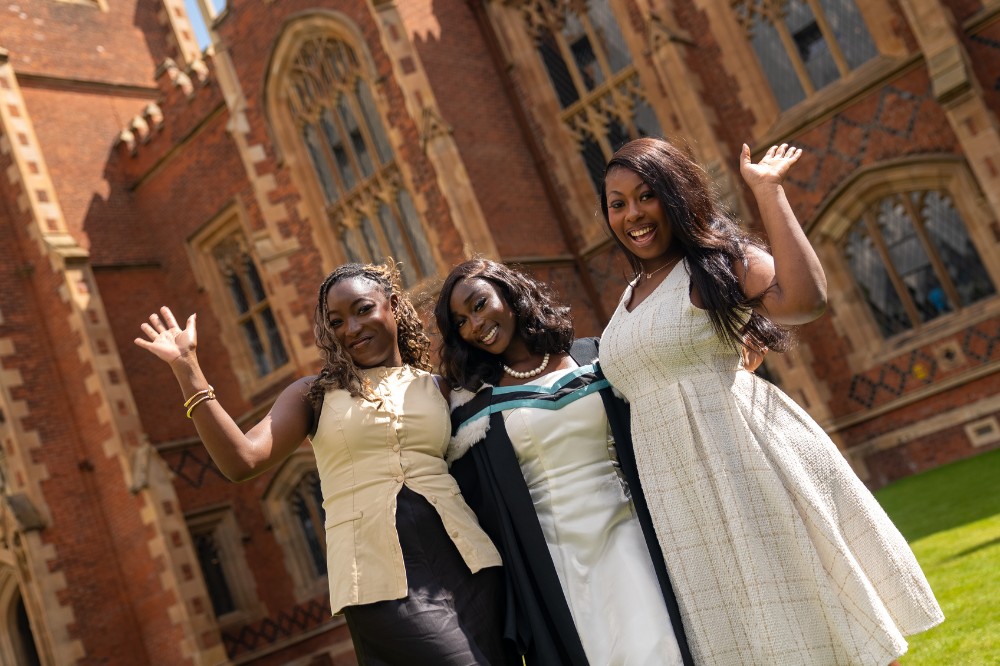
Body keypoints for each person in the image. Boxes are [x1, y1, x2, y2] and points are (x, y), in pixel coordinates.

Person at [597, 138, 944, 665]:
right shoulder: (629, 296)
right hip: (679, 492)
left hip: (743, 461)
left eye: (646, 196)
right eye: (617, 203)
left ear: (677, 196)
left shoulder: (713, 265)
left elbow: (805, 301)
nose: (632, 214)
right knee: (750, 630)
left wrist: (768, 191)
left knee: (812, 605)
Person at [134, 261, 516, 666]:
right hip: (378, 583)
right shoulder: (314, 395)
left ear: (393, 305)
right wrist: (188, 372)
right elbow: (241, 461)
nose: (350, 329)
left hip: (471, 566)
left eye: (362, 310)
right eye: (336, 321)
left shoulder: (440, 385)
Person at [434, 258, 693, 666]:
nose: (475, 324)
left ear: (509, 292)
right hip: (556, 557)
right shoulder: (474, 409)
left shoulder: (596, 357)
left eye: (479, 304)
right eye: (461, 321)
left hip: (629, 529)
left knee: (660, 643)